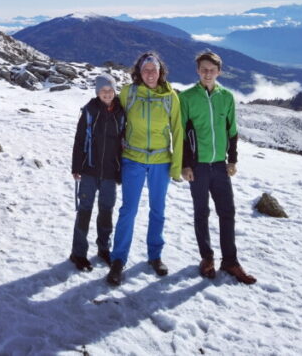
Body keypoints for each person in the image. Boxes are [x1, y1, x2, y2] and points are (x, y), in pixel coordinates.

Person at [107, 51, 183, 286]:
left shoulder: (171, 97)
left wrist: (176, 167)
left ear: (161, 72)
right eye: (146, 70)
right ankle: (118, 259)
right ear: (138, 73)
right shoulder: (129, 94)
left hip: (161, 161)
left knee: (157, 210)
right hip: (133, 159)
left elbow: (178, 132)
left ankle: (154, 255)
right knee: (128, 210)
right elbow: (113, 121)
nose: (150, 74)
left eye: (154, 70)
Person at [180, 50, 256, 284]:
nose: (207, 73)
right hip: (198, 166)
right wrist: (185, 165)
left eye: (212, 70)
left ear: (219, 72)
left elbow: (232, 131)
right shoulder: (188, 97)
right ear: (197, 71)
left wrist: (232, 159)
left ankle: (230, 261)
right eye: (203, 69)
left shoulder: (226, 96)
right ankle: (207, 258)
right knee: (201, 213)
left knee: (227, 212)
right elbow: (181, 133)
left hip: (220, 165)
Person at [69, 73, 126, 271]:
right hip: (89, 170)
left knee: (106, 212)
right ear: (97, 92)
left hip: (110, 172)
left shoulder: (120, 112)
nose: (107, 94)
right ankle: (78, 253)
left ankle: (104, 248)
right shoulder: (89, 111)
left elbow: (123, 144)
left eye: (110, 90)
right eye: (103, 91)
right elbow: (79, 140)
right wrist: (76, 167)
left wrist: (121, 171)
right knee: (84, 211)